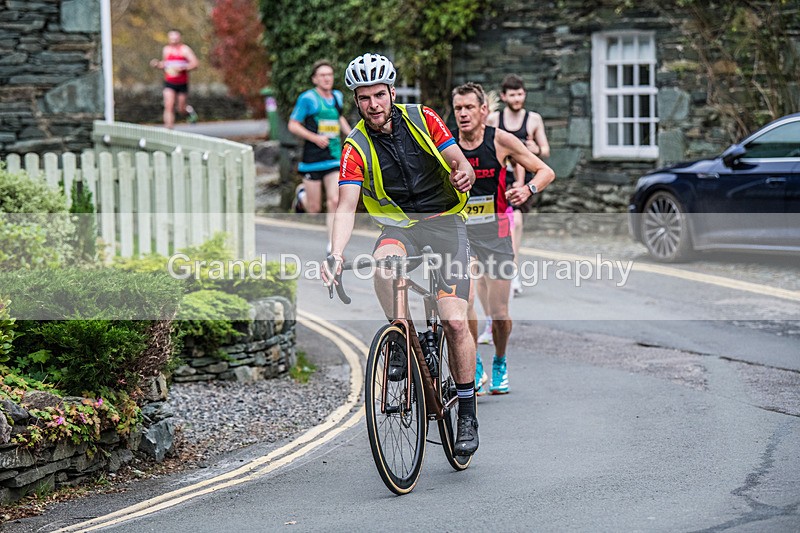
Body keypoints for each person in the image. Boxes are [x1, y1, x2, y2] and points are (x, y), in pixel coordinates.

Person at [323, 53, 480, 456]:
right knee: (382, 263)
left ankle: (467, 411)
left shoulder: (424, 118)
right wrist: (335, 253)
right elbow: (345, 205)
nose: (373, 104)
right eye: (364, 97)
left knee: (455, 321)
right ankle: (400, 335)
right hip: (400, 227)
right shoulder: (355, 145)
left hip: (445, 221)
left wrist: (463, 173)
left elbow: (459, 161)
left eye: (379, 94)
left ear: (392, 92)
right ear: (356, 101)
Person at [452, 82, 555, 395]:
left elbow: (545, 171)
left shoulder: (500, 140)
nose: (463, 114)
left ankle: (499, 360)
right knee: (466, 301)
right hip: (462, 235)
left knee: (499, 316)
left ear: (484, 110)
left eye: (469, 107)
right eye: (458, 108)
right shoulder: (448, 144)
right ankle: (473, 362)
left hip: (496, 236)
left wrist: (527, 190)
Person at [486, 74, 550, 299]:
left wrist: (535, 149)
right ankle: (502, 270)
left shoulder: (533, 120)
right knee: (503, 225)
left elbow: (545, 150)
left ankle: (511, 270)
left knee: (516, 223)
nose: (517, 98)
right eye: (512, 95)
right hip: (499, 179)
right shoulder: (494, 119)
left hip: (522, 181)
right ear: (504, 96)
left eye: (520, 94)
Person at [288, 60, 352, 252]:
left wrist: (352, 136)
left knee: (334, 200)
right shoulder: (308, 98)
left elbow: (339, 118)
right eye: (322, 75)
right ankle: (302, 196)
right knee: (314, 209)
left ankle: (333, 246)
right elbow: (293, 125)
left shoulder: (338, 96)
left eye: (329, 75)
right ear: (315, 79)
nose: (327, 78)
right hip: (313, 159)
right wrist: (315, 138)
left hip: (334, 157)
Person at [150, 29, 199, 129]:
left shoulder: (185, 50)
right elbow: (165, 64)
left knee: (180, 109)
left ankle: (189, 111)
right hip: (169, 82)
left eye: (175, 37)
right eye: (171, 37)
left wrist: (183, 68)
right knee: (169, 105)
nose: (173, 39)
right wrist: (157, 64)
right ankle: (168, 129)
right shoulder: (166, 50)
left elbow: (195, 64)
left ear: (179, 38)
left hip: (182, 83)